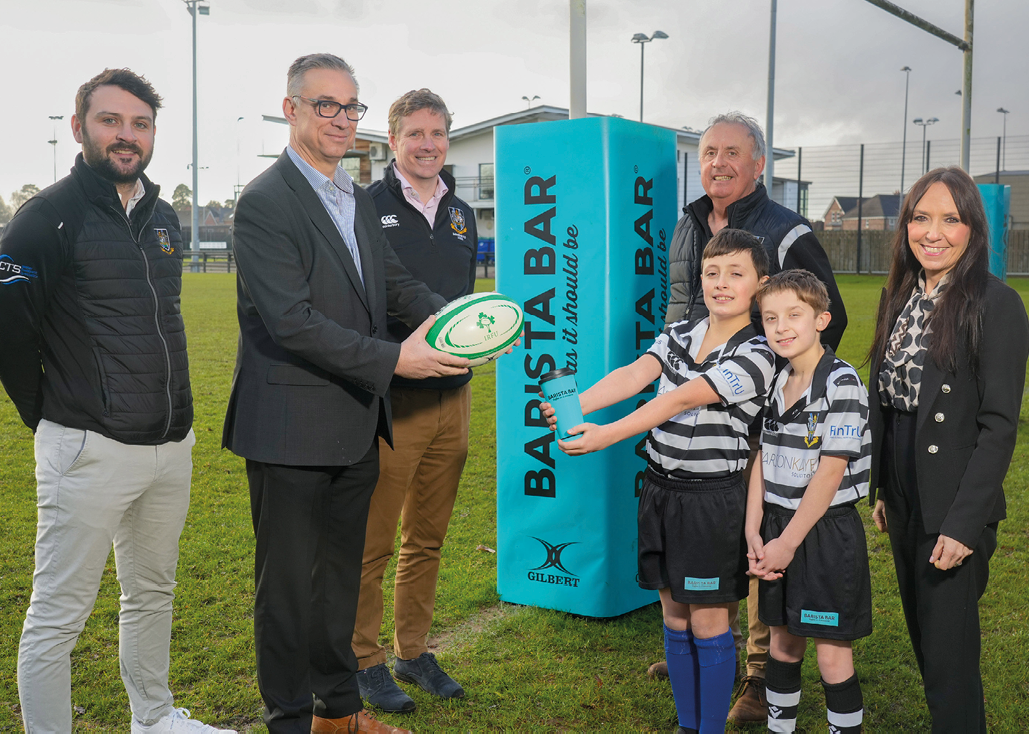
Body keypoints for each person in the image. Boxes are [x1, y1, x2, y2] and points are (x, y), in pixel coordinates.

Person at [222, 53, 470, 735]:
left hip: (356, 424)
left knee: (335, 583)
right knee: (287, 594)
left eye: (350, 107)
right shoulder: (266, 200)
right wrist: (397, 360)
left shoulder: (352, 196)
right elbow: (292, 322)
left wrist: (463, 326)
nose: (340, 118)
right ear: (292, 109)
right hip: (289, 430)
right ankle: (290, 723)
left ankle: (338, 712)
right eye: (325, 104)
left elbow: (393, 286)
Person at [0, 69, 233, 734]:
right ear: (81, 129)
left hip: (169, 445)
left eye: (140, 123)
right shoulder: (46, 217)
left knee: (152, 592)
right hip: (88, 445)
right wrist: (46, 414)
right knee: (57, 614)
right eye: (111, 121)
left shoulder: (163, 216)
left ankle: (153, 721)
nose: (126, 135)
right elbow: (8, 322)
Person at [543, 229, 774, 733]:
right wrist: (578, 404)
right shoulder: (680, 333)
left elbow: (679, 399)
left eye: (736, 273)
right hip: (661, 489)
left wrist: (607, 434)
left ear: (761, 285)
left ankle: (710, 732)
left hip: (713, 500)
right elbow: (633, 375)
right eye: (712, 272)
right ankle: (688, 727)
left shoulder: (759, 352)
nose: (721, 282)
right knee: (673, 616)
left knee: (710, 622)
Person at [660, 111, 849, 722]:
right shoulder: (688, 224)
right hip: (698, 401)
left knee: (761, 519)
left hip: (759, 404)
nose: (717, 162)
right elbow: (678, 305)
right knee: (708, 518)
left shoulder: (787, 231)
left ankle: (760, 671)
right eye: (709, 151)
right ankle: (698, 637)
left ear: (759, 163)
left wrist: (777, 379)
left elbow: (827, 314)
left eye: (732, 152)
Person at [868, 167, 1029, 733]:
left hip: (954, 496)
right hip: (905, 484)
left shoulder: (996, 303)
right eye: (920, 217)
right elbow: (888, 401)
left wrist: (963, 525)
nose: (932, 232)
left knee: (948, 657)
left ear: (972, 229)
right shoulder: (900, 295)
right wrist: (883, 487)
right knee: (924, 639)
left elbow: (998, 426)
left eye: (950, 219)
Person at [353, 89, 477, 713]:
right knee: (373, 540)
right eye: (415, 134)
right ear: (394, 140)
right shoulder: (365, 205)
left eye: (438, 133)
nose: (427, 144)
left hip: (453, 396)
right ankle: (364, 660)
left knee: (427, 538)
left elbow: (467, 305)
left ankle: (413, 649)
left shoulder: (461, 211)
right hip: (393, 398)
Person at [746, 270, 872, 734]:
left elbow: (830, 472)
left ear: (822, 319)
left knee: (832, 654)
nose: (780, 327)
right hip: (776, 526)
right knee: (782, 644)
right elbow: (761, 456)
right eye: (770, 317)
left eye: (793, 315)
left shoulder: (841, 382)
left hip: (823, 533)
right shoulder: (776, 381)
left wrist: (787, 544)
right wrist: (754, 528)